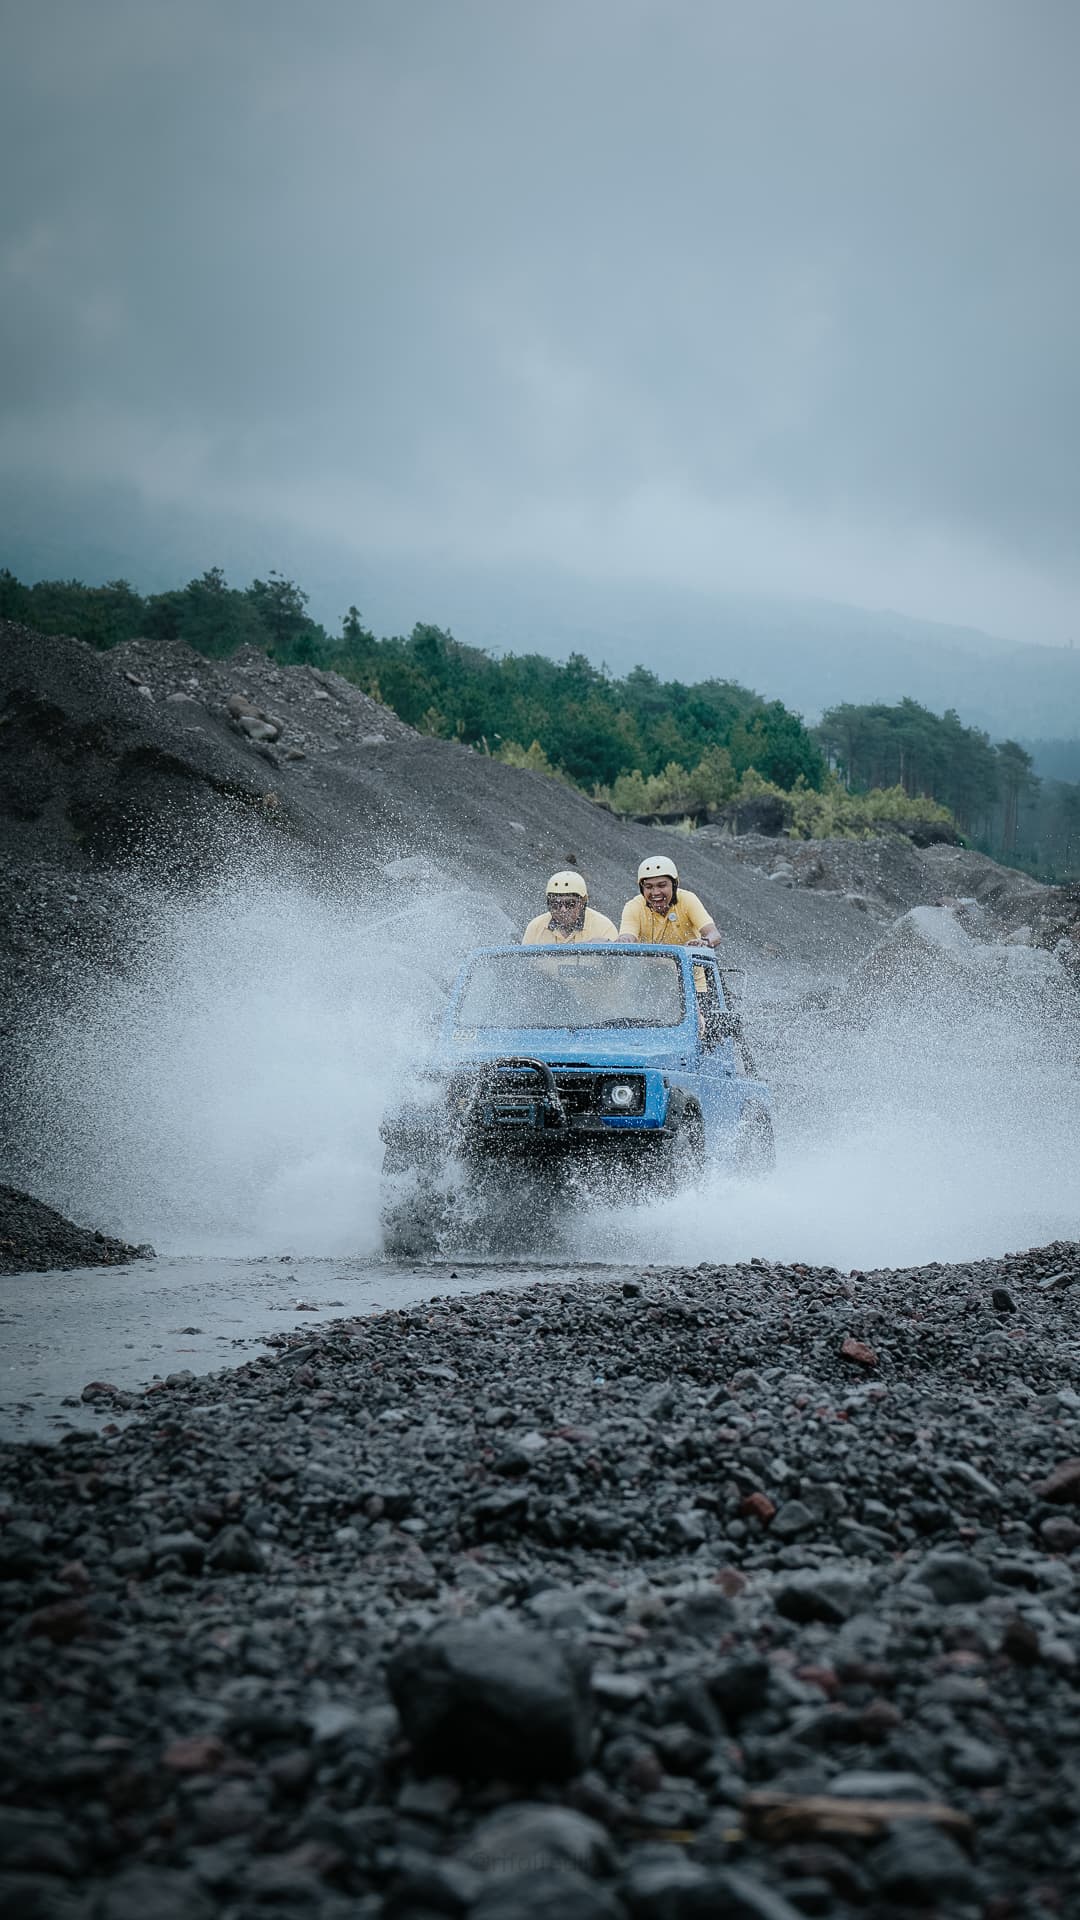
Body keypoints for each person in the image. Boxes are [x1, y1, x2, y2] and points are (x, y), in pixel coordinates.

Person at [619, 855, 721, 948]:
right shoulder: (634, 906)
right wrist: (623, 940)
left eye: (662, 885)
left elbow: (714, 934)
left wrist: (704, 942)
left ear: (674, 885)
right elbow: (627, 937)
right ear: (642, 890)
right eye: (649, 887)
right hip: (649, 968)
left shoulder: (687, 899)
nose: (655, 893)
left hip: (690, 967)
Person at [522, 870, 618, 944]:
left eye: (570, 903)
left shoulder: (604, 928)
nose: (563, 909)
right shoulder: (535, 927)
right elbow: (523, 966)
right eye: (556, 904)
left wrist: (605, 947)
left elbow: (619, 966)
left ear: (582, 903)